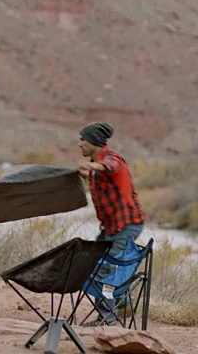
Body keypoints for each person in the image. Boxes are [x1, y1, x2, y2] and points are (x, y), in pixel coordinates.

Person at [78, 121, 146, 326]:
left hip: (127, 224)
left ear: (94, 141)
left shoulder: (111, 159)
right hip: (111, 228)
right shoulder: (95, 168)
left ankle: (107, 318)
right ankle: (123, 302)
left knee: (108, 268)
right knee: (95, 263)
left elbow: (111, 166)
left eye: (83, 140)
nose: (80, 144)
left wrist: (91, 166)